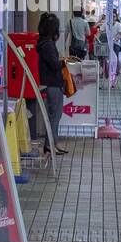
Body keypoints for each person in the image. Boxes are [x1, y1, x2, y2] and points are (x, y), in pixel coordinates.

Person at [35, 14, 69, 156]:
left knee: (54, 115)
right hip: (53, 84)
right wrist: (64, 61)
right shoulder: (48, 45)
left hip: (50, 83)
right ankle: (50, 145)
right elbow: (55, 65)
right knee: (55, 116)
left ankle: (54, 143)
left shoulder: (43, 43)